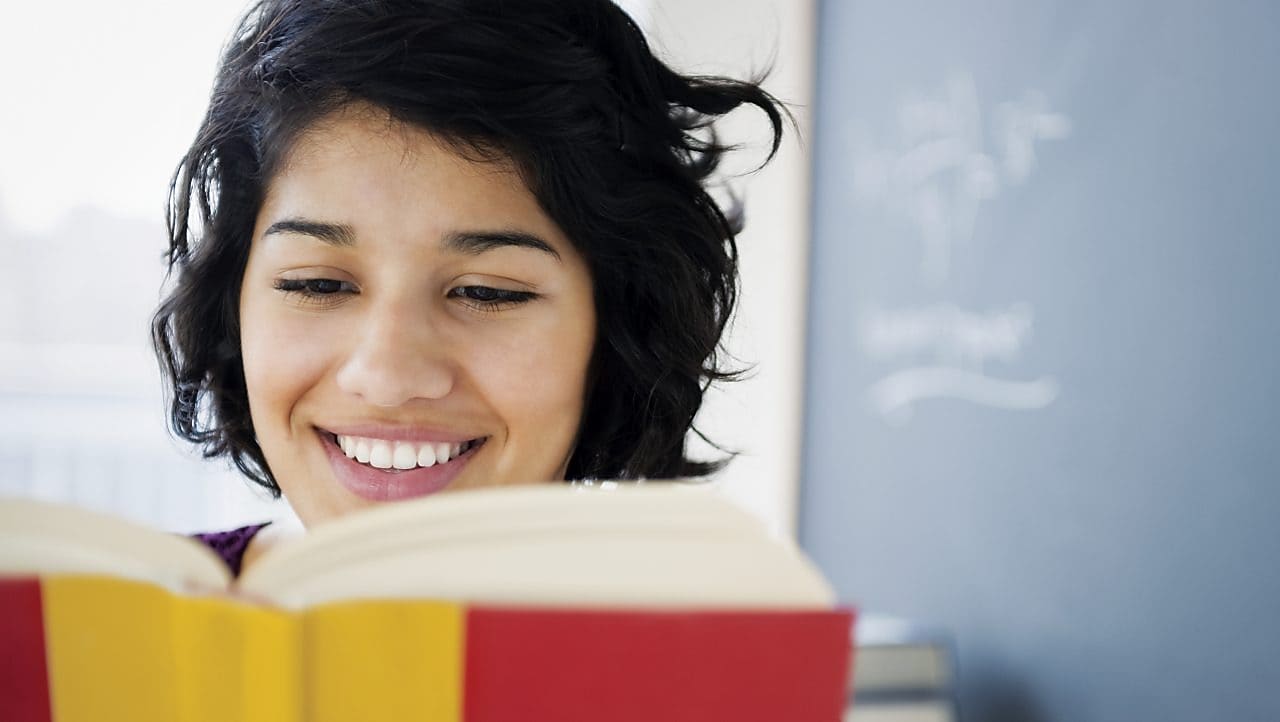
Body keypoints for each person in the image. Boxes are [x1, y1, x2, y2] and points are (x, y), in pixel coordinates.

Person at [153, 0, 787, 574]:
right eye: (318, 283)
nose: (388, 376)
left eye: (487, 293)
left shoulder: (714, 674)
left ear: (616, 328)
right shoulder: (109, 631)